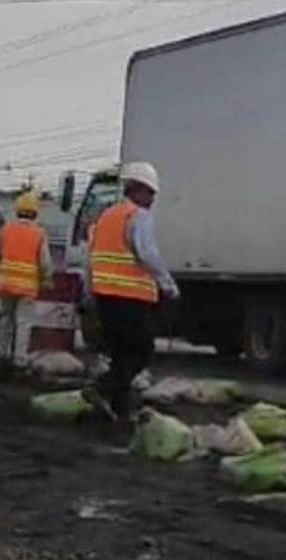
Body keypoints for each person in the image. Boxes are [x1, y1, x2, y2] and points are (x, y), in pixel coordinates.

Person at [87, 161, 178, 415]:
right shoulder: (138, 216)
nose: (152, 200)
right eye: (150, 194)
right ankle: (103, 389)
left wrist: (89, 292)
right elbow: (148, 254)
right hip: (130, 298)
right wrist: (168, 285)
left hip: (105, 296)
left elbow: (92, 256)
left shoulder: (107, 216)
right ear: (138, 190)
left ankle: (118, 408)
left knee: (120, 353)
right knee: (141, 353)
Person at [0, 188, 53, 367]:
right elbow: (45, 261)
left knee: (6, 320)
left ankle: (2, 354)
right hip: (27, 286)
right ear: (35, 212)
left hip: (6, 283)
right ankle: (19, 359)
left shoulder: (6, 229)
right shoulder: (39, 233)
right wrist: (47, 278)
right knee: (23, 323)